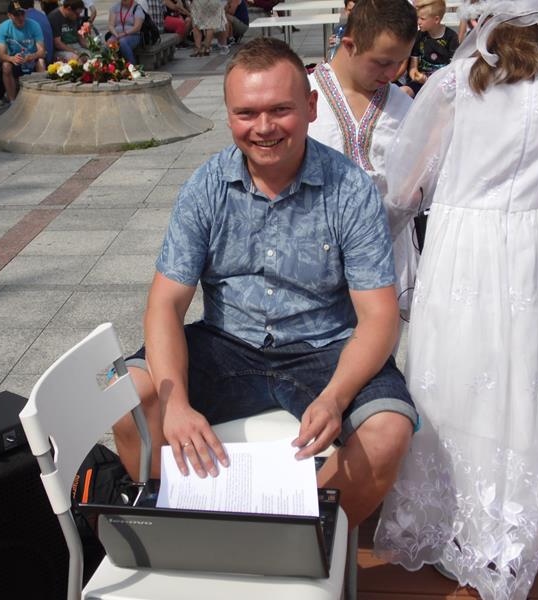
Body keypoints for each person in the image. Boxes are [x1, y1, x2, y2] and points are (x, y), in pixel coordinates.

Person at [373, 1, 538, 599]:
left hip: (461, 248)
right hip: (537, 253)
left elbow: (404, 191)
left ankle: (441, 523)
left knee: (452, 380)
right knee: (523, 386)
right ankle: (503, 541)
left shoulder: (454, 83)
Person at [112, 37, 417, 530]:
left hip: (326, 348)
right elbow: (165, 304)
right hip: (227, 343)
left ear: (311, 107)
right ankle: (179, 524)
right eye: (247, 113)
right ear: (230, 115)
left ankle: (301, 538)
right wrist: (174, 404)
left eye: (280, 109)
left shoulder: (350, 190)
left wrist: (336, 396)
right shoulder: (206, 187)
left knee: (388, 432)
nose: (264, 127)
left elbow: (379, 316)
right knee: (127, 397)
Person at [309, 0, 419, 320]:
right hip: (316, 254)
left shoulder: (404, 107)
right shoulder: (305, 94)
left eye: (400, 62)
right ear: (350, 45)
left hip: (387, 256)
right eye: (382, 62)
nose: (393, 73)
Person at [0, 1, 46, 105]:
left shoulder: (34, 25)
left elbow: (42, 51)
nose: (20, 18)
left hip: (31, 59)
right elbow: (1, 55)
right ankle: (12, 101)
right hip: (14, 60)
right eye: (16, 15)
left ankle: (41, 96)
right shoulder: (3, 27)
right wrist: (12, 58)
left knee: (41, 62)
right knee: (5, 66)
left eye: (22, 14)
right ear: (9, 15)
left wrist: (31, 57)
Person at [407, 0, 459, 95]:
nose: (418, 22)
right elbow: (413, 68)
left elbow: (454, 70)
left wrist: (435, 81)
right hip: (421, 83)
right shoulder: (419, 36)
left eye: (422, 19)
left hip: (442, 85)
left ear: (436, 19)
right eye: (418, 18)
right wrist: (416, 76)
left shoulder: (451, 37)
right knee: (404, 91)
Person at [107, 0, 144, 64]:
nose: (124, 1)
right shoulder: (115, 7)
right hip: (117, 34)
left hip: (133, 35)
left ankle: (132, 65)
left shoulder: (137, 8)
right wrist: (116, 34)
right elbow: (110, 25)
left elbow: (137, 27)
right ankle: (112, 67)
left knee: (122, 42)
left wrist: (124, 33)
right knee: (108, 44)